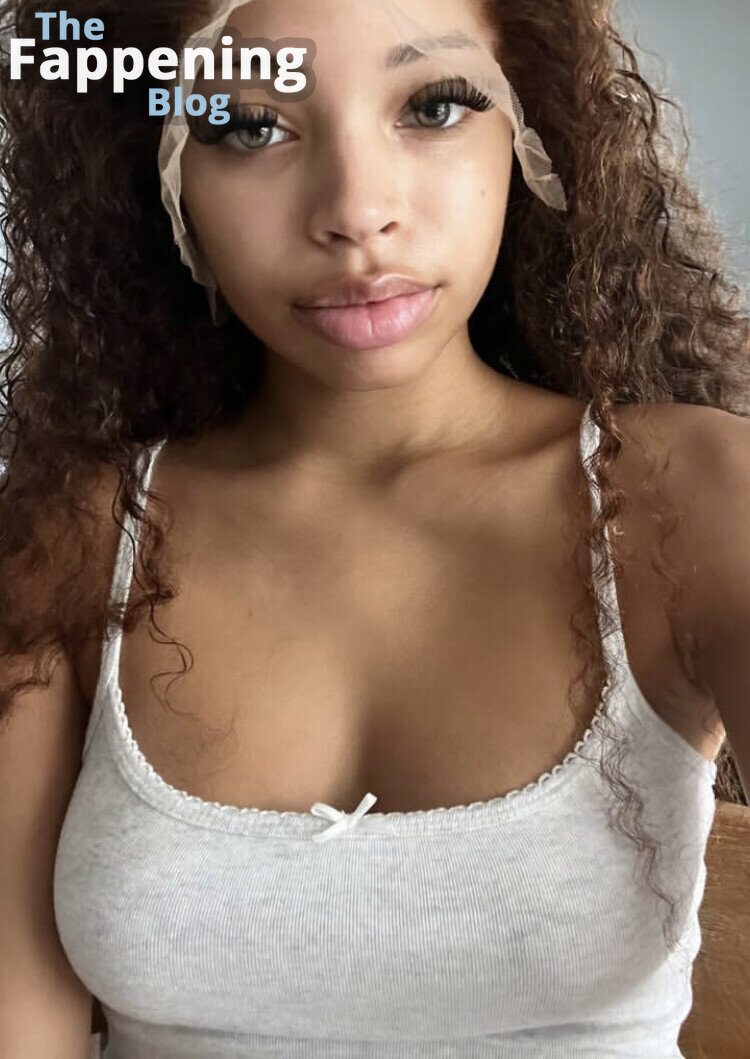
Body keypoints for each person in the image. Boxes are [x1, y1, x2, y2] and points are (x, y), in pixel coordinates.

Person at [0, 0, 748, 1055]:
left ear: (532, 127)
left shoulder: (698, 499)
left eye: (434, 106)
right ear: (153, 172)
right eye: (247, 126)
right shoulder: (67, 535)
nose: (356, 211)